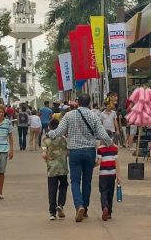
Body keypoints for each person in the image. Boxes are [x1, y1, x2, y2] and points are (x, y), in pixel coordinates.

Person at [48, 94, 114, 222]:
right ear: (89, 103)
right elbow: (102, 134)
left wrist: (48, 134)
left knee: (75, 181)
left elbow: (58, 132)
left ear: (78, 103)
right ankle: (85, 208)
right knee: (87, 181)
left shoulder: (69, 115)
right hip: (89, 151)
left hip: (74, 152)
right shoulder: (94, 116)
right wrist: (110, 143)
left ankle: (79, 205)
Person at [42, 119, 68, 221]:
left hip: (51, 169)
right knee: (63, 185)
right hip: (62, 168)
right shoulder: (63, 139)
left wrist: (49, 160)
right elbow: (67, 152)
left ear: (49, 127)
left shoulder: (46, 140)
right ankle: (60, 204)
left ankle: (52, 213)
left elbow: (43, 155)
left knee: (52, 190)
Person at [96, 139, 120, 221]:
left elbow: (99, 162)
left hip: (103, 174)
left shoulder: (100, 149)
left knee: (103, 192)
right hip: (112, 174)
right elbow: (116, 163)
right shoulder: (114, 149)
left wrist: (92, 165)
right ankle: (109, 212)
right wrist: (119, 177)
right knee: (110, 193)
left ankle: (105, 207)